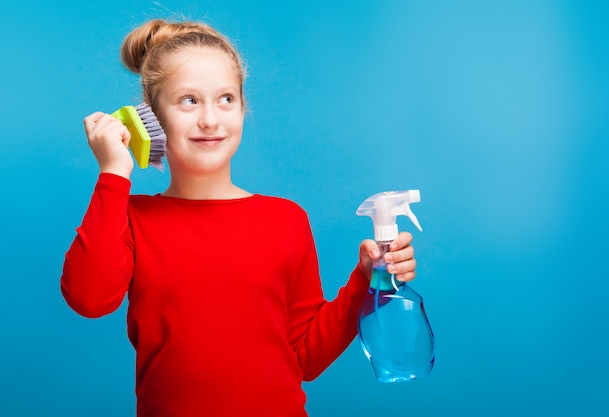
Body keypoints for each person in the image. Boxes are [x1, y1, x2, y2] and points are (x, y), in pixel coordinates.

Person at [61, 18, 417, 417]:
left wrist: (366, 280)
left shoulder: (286, 220)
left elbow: (305, 360)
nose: (210, 120)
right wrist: (113, 173)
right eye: (188, 101)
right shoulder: (130, 219)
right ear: (150, 115)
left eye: (226, 99)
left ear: (244, 108)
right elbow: (89, 299)